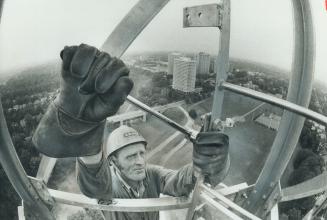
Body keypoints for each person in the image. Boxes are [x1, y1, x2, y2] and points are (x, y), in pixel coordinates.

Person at [32, 44, 230, 220]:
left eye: (141, 154)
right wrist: (86, 144)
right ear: (114, 163)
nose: (139, 161)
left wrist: (208, 163)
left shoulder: (151, 175)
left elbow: (181, 182)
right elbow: (95, 186)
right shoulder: (110, 185)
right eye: (130, 157)